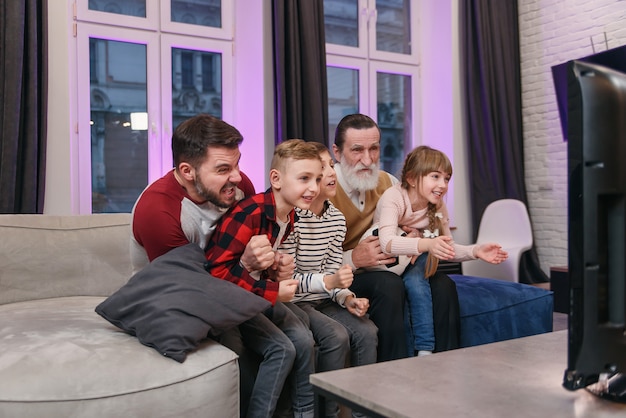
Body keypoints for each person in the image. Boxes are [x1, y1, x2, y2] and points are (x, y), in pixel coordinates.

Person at [130, 113, 290, 418]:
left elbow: (253, 239)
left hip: (231, 286)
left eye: (237, 163)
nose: (236, 176)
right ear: (187, 171)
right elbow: (190, 289)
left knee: (297, 336)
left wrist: (271, 262)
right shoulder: (159, 211)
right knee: (237, 349)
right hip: (174, 298)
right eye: (223, 169)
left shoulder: (238, 186)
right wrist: (245, 263)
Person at [205, 139, 323, 418]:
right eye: (305, 178)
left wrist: (274, 267)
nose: (314, 188)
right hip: (231, 300)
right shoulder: (250, 213)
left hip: (252, 293)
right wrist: (273, 291)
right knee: (282, 349)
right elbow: (216, 275)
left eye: (317, 178)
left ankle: (302, 412)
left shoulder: (289, 214)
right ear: (276, 179)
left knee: (303, 335)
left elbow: (258, 265)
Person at [329, 113, 462, 360]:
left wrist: (418, 234)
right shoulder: (323, 188)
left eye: (374, 149)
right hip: (346, 275)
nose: (367, 159)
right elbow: (310, 258)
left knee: (443, 284)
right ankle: (392, 374)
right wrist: (354, 259)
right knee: (387, 287)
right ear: (337, 153)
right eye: (357, 150)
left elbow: (421, 217)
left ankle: (447, 365)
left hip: (390, 266)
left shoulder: (388, 183)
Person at [374, 145, 508, 356]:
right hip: (386, 261)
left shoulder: (436, 208)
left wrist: (476, 251)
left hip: (415, 258)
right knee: (416, 276)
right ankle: (425, 347)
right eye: (435, 177)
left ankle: (425, 349)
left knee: (417, 281)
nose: (443, 185)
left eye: (446, 178)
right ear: (411, 178)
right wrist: (427, 244)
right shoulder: (394, 198)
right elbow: (387, 243)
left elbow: (447, 247)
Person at [278, 141, 378, 418]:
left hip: (323, 297)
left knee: (367, 331)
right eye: (321, 169)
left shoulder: (336, 218)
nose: (331, 174)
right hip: (296, 301)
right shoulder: (292, 217)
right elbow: (289, 280)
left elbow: (334, 270)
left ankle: (362, 411)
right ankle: (327, 413)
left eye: (330, 166)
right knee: (336, 335)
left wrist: (347, 297)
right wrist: (330, 282)